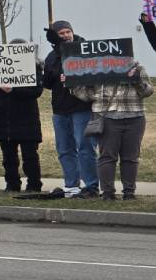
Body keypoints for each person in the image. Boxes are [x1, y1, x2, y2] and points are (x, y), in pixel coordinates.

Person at [70, 64, 153, 200]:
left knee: (131, 158)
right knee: (107, 157)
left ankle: (129, 193)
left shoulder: (137, 68)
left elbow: (147, 92)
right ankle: (108, 193)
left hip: (135, 117)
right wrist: (72, 84)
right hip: (107, 118)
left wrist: (136, 80)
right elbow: (86, 95)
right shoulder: (97, 69)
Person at [43, 20, 99, 198]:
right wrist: (51, 72)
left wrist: (74, 77)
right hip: (60, 109)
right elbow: (47, 84)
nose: (66, 35)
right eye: (62, 33)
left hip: (82, 107)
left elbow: (96, 76)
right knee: (65, 149)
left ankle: (91, 186)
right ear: (55, 36)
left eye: (68, 32)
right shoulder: (52, 56)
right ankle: (72, 185)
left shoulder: (85, 50)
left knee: (85, 147)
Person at [0, 38, 44, 192]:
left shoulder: (34, 68)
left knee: (30, 156)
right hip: (5, 120)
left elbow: (36, 91)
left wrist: (13, 89)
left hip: (27, 119)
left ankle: (34, 185)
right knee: (8, 157)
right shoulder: (0, 69)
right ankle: (12, 184)